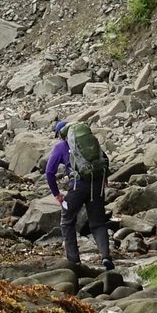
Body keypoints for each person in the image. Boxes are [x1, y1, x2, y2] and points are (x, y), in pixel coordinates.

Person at [43, 116, 113, 277]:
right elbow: (104, 159)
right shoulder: (88, 141)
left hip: (78, 187)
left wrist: (56, 194)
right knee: (98, 223)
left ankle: (74, 262)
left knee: (67, 221)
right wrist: (104, 180)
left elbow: (49, 171)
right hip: (96, 185)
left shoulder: (61, 146)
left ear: (61, 134)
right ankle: (106, 257)